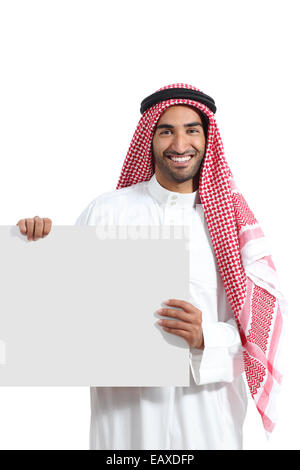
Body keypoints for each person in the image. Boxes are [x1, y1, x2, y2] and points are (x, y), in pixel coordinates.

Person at [16, 83, 286, 450]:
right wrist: (35, 250)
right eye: (166, 131)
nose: (179, 144)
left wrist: (205, 337)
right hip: (125, 430)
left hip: (207, 428)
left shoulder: (232, 224)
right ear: (150, 138)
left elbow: (263, 334)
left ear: (207, 139)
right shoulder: (107, 212)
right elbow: (54, 313)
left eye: (191, 130)